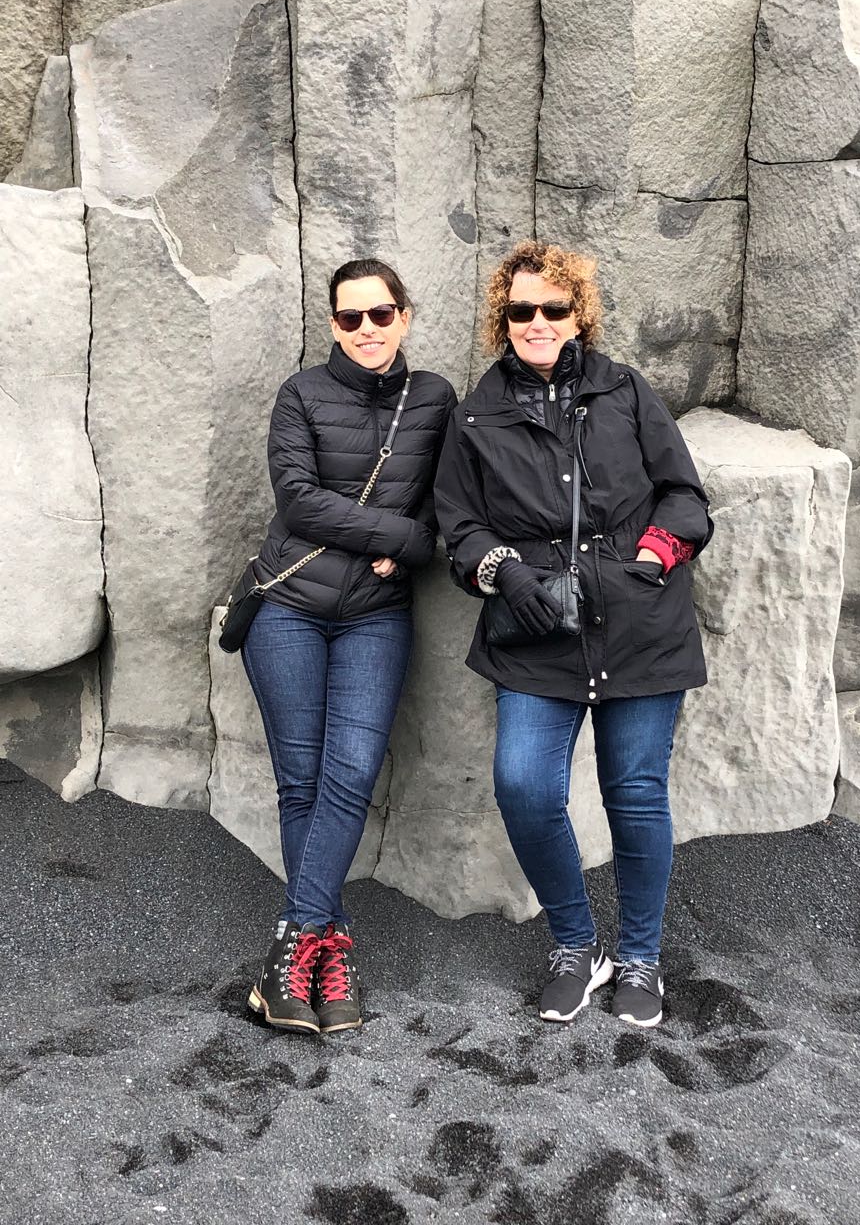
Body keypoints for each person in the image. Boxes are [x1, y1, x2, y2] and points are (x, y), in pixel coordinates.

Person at [434, 240, 713, 1028]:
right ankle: (574, 945)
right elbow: (457, 526)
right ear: (503, 317)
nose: (537, 323)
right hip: (535, 629)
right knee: (523, 785)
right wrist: (504, 573)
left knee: (635, 794)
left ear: (577, 315)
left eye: (553, 309)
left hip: (639, 625)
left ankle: (641, 959)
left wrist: (651, 562)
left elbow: (684, 497)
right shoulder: (476, 415)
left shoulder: (625, 391)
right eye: (521, 310)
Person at [243, 259, 457, 1035]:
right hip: (288, 610)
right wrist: (397, 534)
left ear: (405, 315)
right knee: (300, 783)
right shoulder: (300, 395)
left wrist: (415, 544)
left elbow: (449, 513)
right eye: (348, 318)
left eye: (379, 315)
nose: (365, 330)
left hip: (375, 616)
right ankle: (325, 957)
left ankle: (289, 951)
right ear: (332, 324)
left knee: (350, 774)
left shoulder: (433, 399)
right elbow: (297, 502)